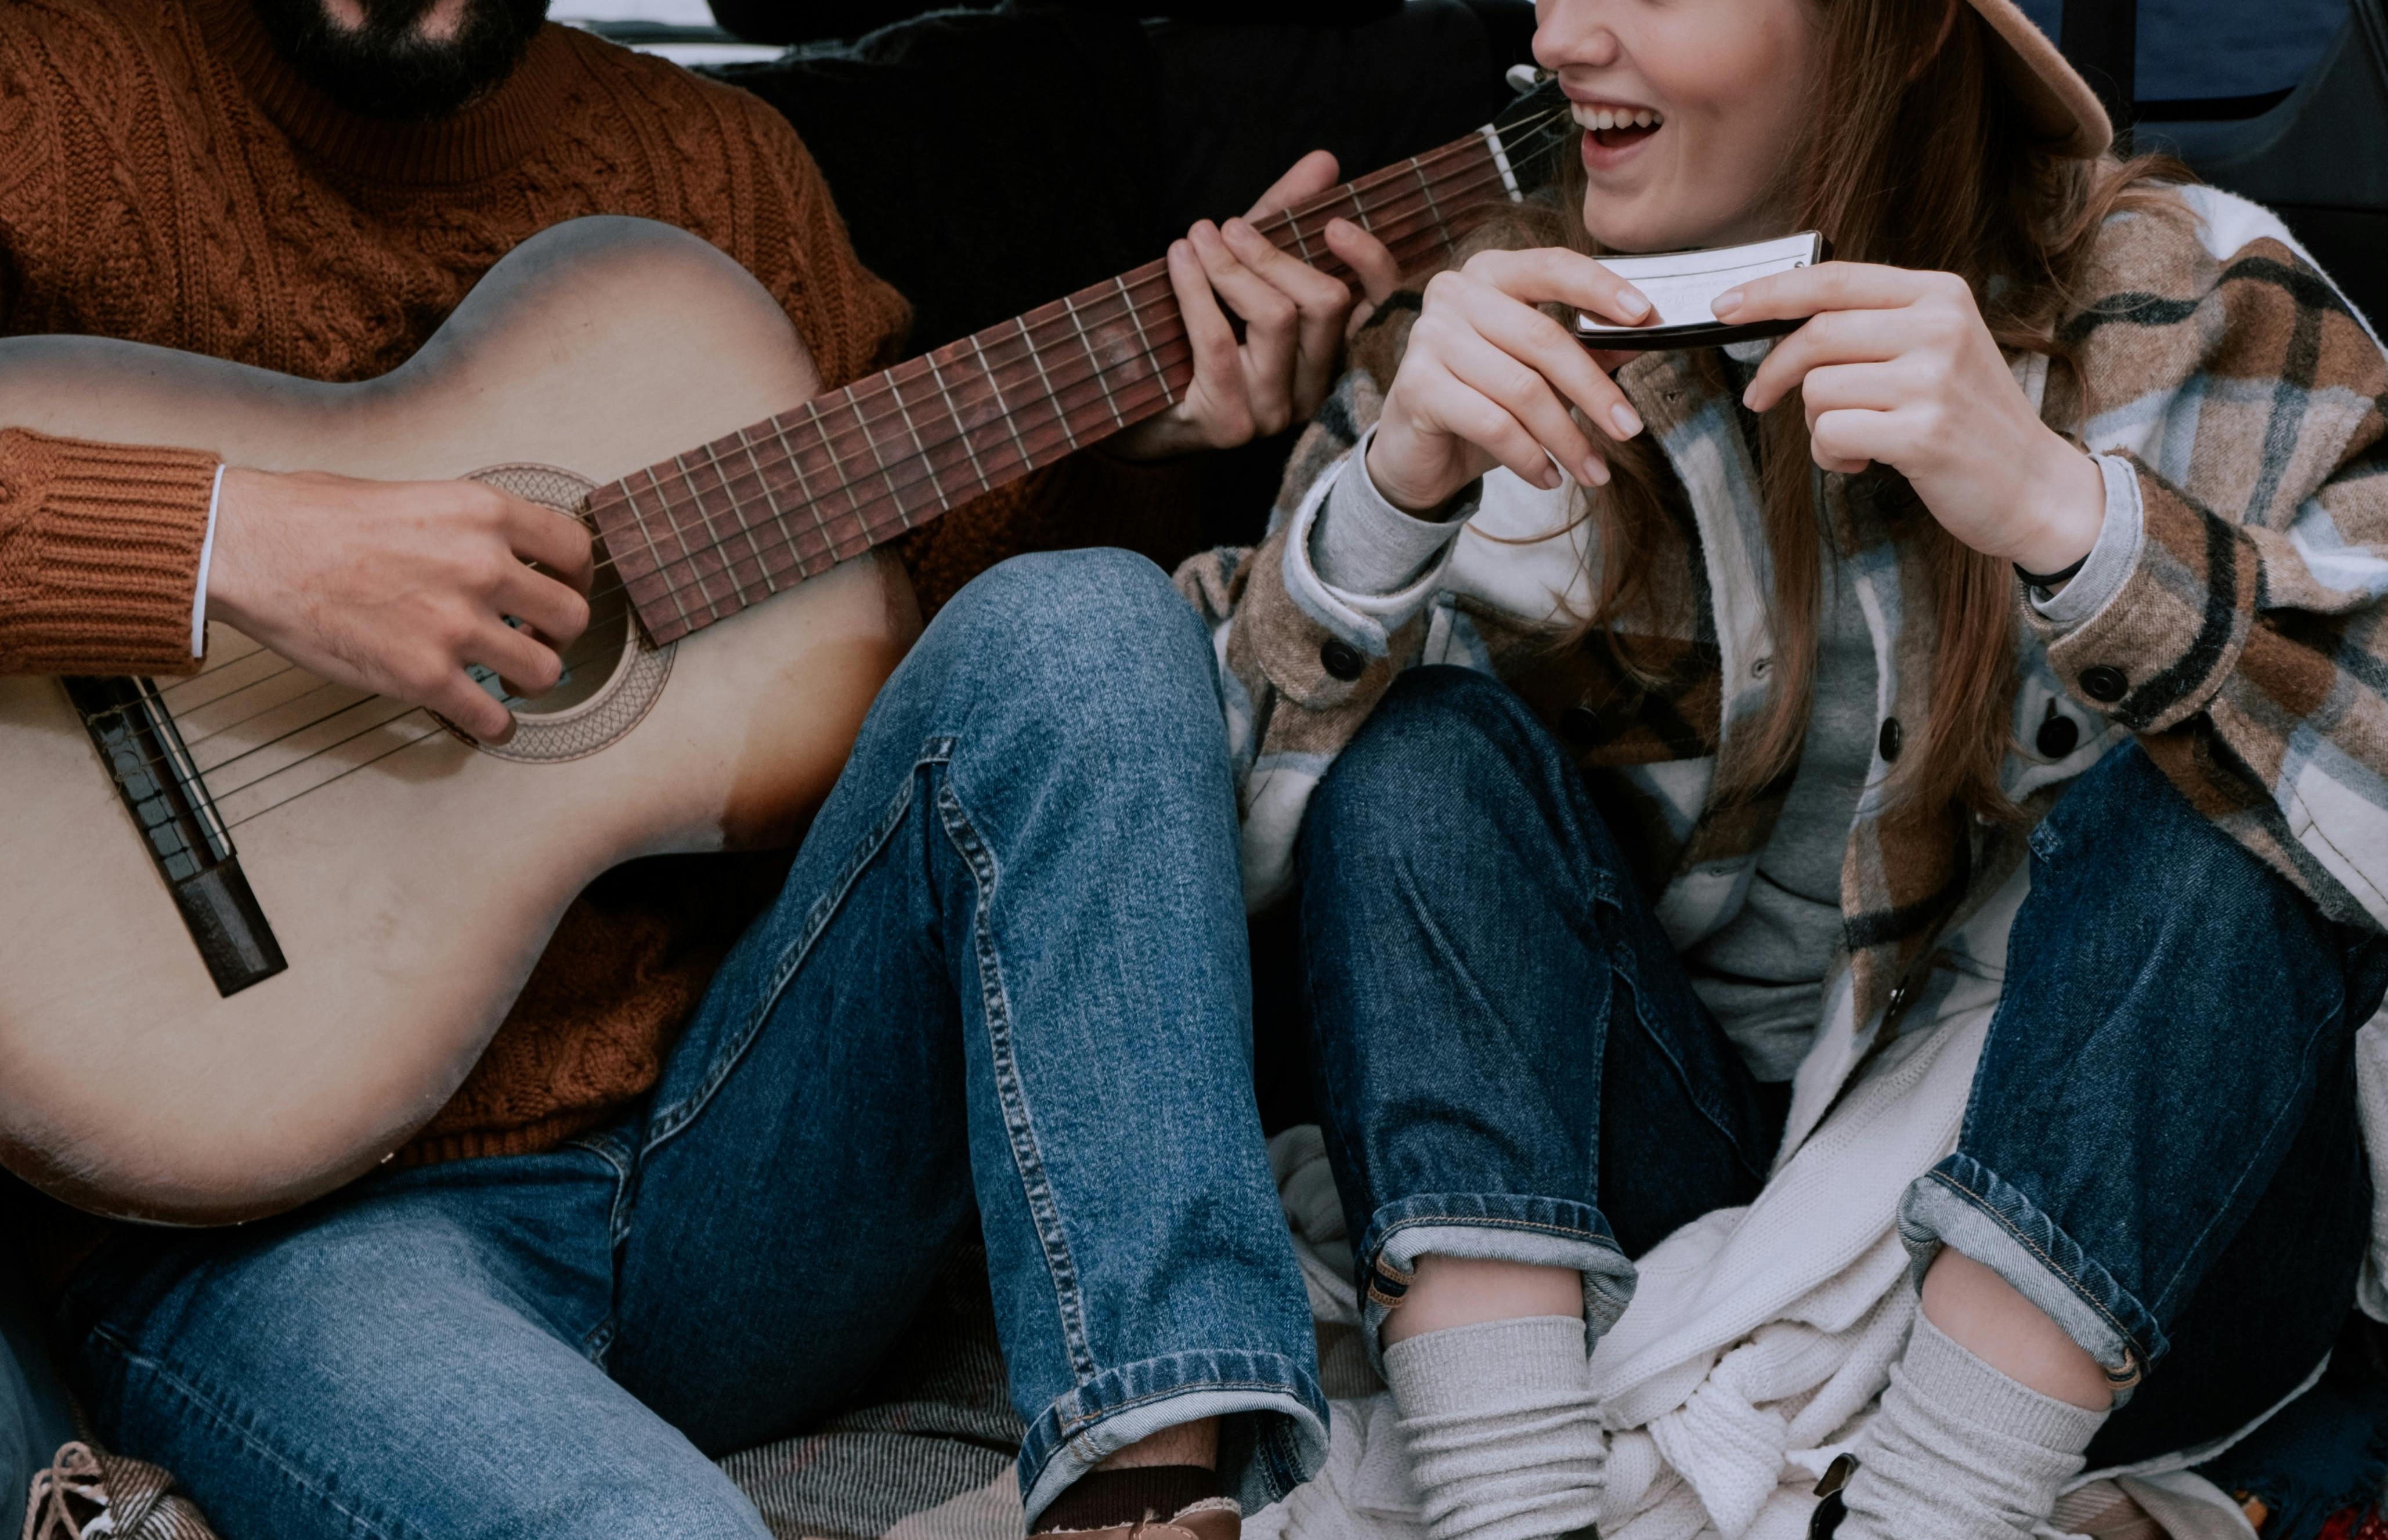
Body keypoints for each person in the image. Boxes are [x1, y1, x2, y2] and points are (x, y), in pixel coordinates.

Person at [0, 0, 1405, 1534]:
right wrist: (235, 543)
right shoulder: (50, 94)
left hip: (728, 1170)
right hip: (282, 1237)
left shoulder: (714, 170)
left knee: (1085, 629)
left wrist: (1138, 442)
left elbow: (914, 663)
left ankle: (1144, 1497)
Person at [1173, 0, 2388, 1535]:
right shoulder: (1485, 324)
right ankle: (1510, 1515)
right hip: (1652, 1190)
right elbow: (1169, 885)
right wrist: (1384, 507)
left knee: (2211, 807)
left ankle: (1923, 1519)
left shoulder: (2191, 299)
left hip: (2137, 1251)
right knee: (1413, 760)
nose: (1559, 32)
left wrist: (2070, 524)